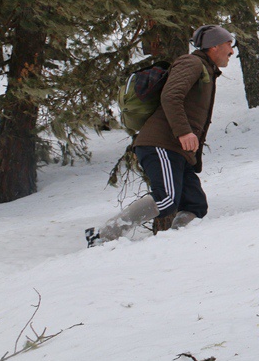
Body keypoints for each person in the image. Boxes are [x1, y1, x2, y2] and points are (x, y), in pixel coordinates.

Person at [87, 24, 235, 246]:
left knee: (195, 205)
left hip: (177, 149)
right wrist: (184, 132)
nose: (232, 51)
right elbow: (171, 96)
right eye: (228, 44)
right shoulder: (191, 62)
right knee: (166, 199)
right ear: (213, 46)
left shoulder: (205, 68)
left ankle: (176, 244)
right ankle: (102, 236)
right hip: (161, 144)